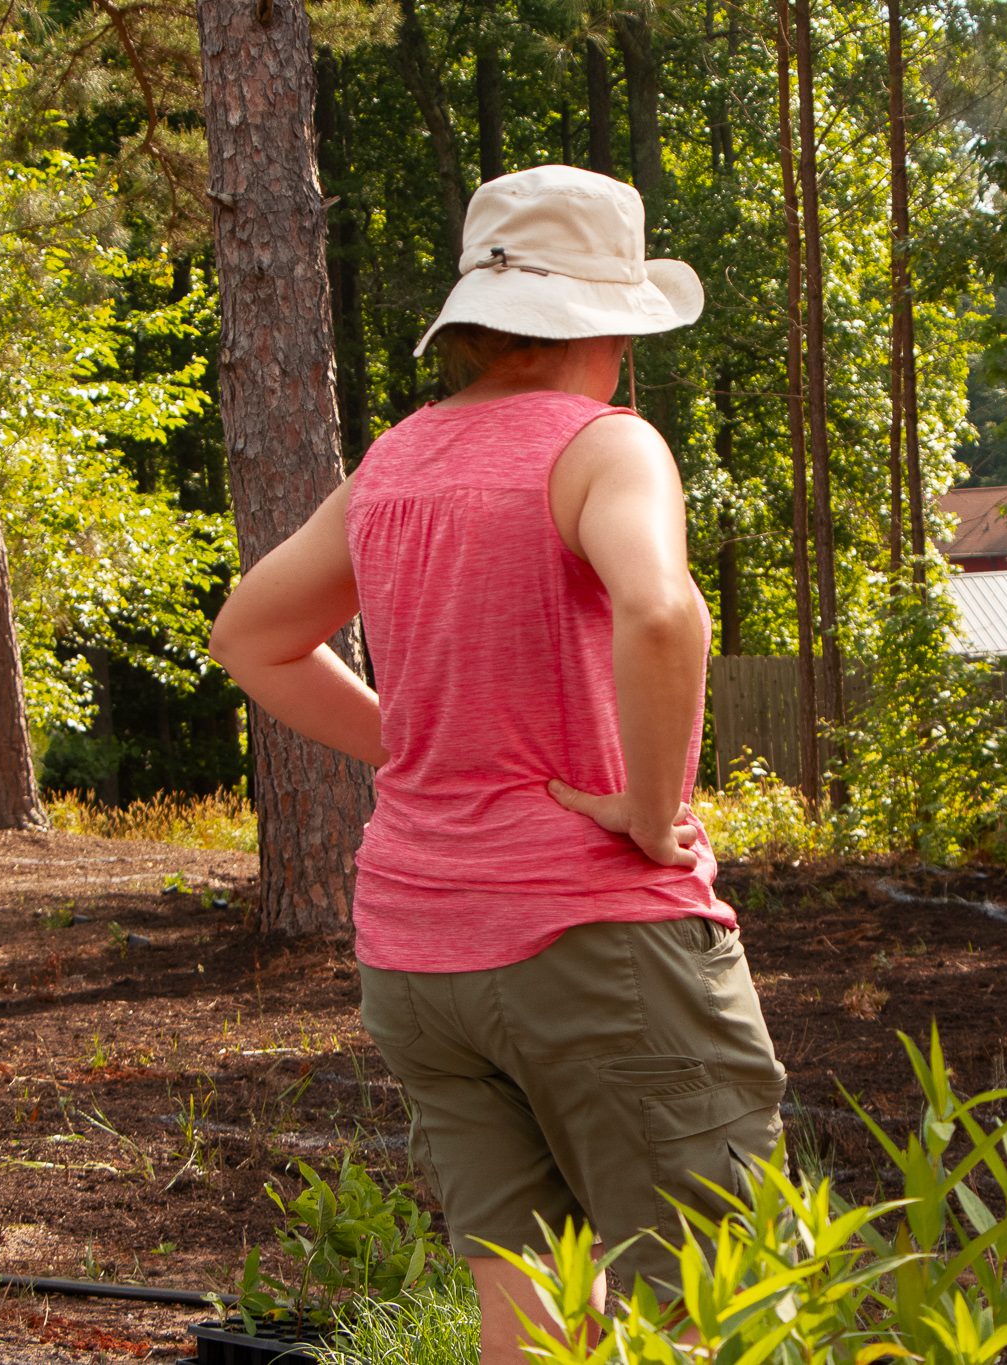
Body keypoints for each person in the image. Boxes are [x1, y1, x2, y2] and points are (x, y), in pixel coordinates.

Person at [209, 164, 786, 1364]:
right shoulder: (603, 448)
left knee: (528, 1308)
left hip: (418, 957)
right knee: (712, 1302)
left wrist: (414, 748)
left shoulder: (396, 462)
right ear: (615, 325)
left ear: (477, 320)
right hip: (593, 942)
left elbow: (252, 639)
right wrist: (645, 806)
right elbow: (664, 612)